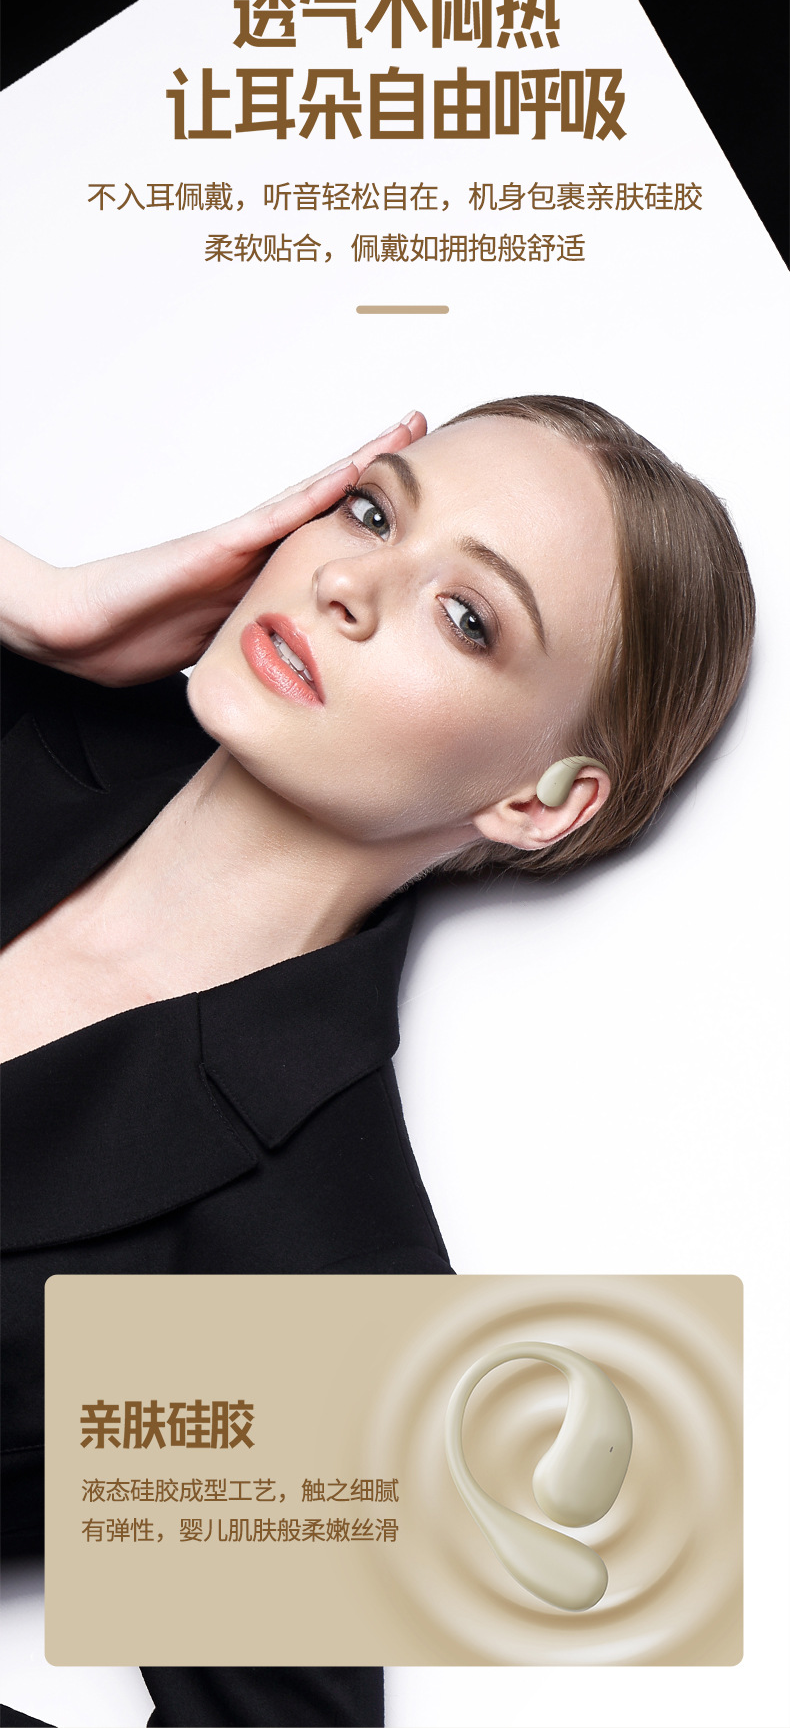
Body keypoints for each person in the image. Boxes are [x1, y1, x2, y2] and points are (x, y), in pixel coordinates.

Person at [0, 397, 755, 1728]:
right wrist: (42, 604)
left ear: (537, 799)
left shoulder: (314, 1261)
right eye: (371, 512)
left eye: (467, 617)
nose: (349, 585)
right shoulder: (24, 710)